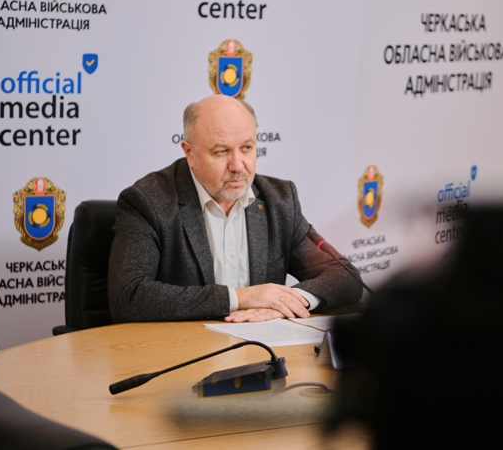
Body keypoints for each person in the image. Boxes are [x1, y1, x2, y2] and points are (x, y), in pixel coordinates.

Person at [108, 95, 362, 323]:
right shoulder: (149, 201)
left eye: (247, 148)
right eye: (222, 152)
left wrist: (288, 302)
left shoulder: (279, 201)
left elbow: (344, 276)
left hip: (259, 351)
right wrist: (241, 298)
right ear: (190, 153)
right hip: (183, 352)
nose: (238, 165)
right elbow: (128, 296)